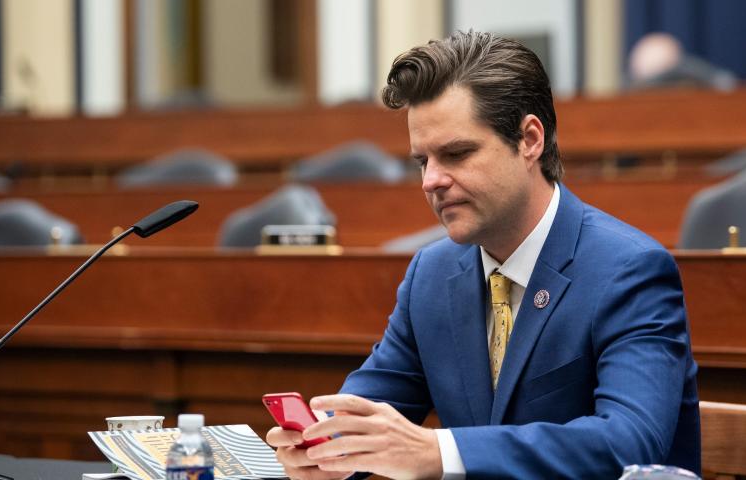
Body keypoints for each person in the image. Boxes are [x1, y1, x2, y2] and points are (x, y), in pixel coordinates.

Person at [266, 30, 701, 479]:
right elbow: (370, 413)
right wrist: (322, 447)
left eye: (456, 153)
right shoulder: (431, 274)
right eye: (422, 161)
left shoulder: (628, 270)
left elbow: (627, 443)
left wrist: (440, 452)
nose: (431, 181)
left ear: (529, 139)